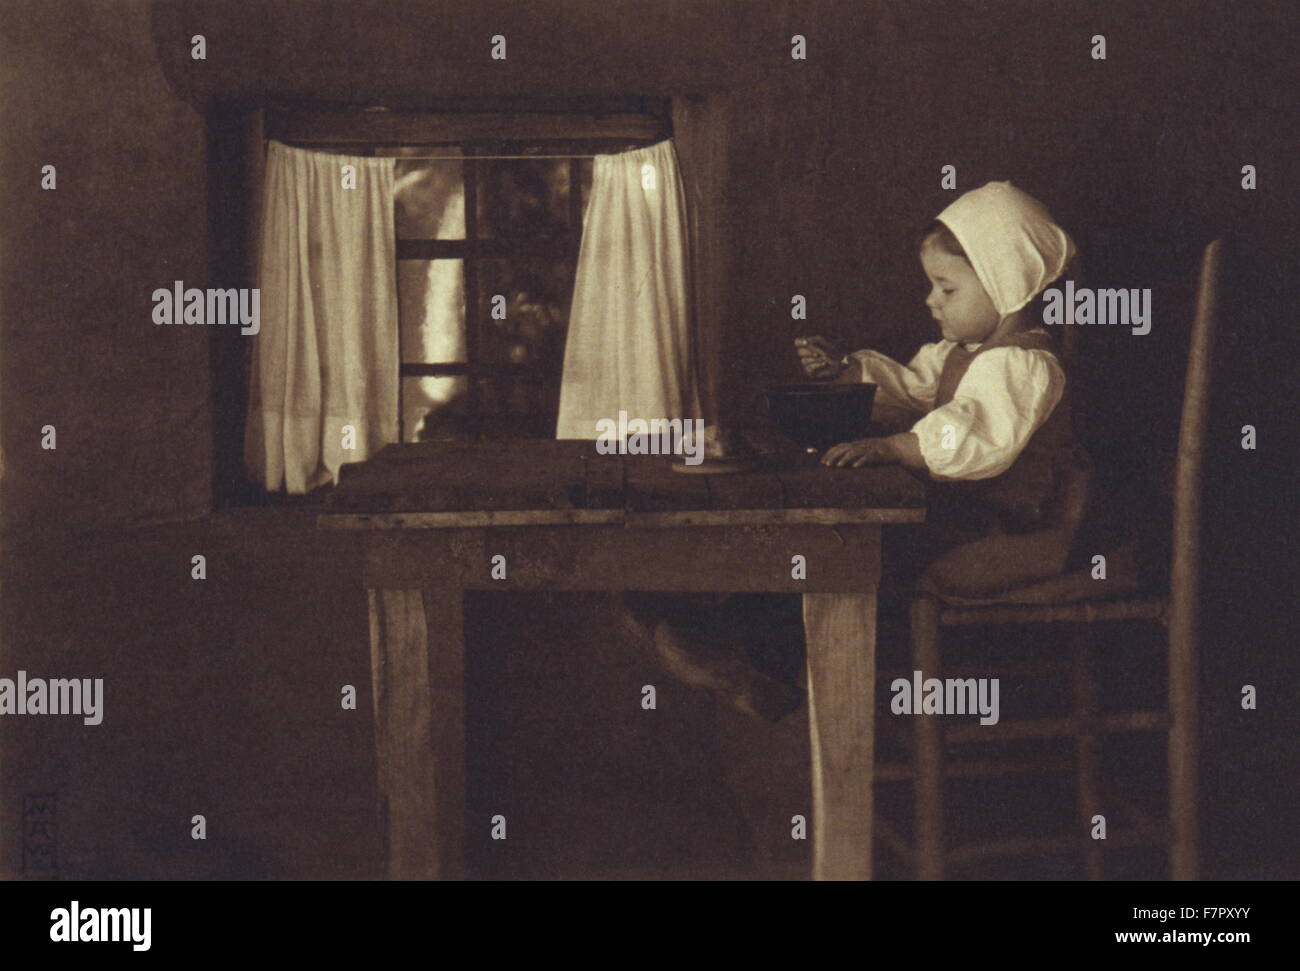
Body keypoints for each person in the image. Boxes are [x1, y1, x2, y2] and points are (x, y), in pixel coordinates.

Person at [623, 181, 1098, 720]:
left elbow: (977, 437)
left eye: (947, 288)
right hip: (968, 516)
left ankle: (758, 651)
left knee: (850, 549)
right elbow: (914, 388)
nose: (931, 301)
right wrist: (849, 371)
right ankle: (757, 647)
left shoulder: (1023, 364)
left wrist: (896, 447)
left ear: (1004, 284)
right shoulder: (965, 354)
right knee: (840, 544)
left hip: (1008, 531)